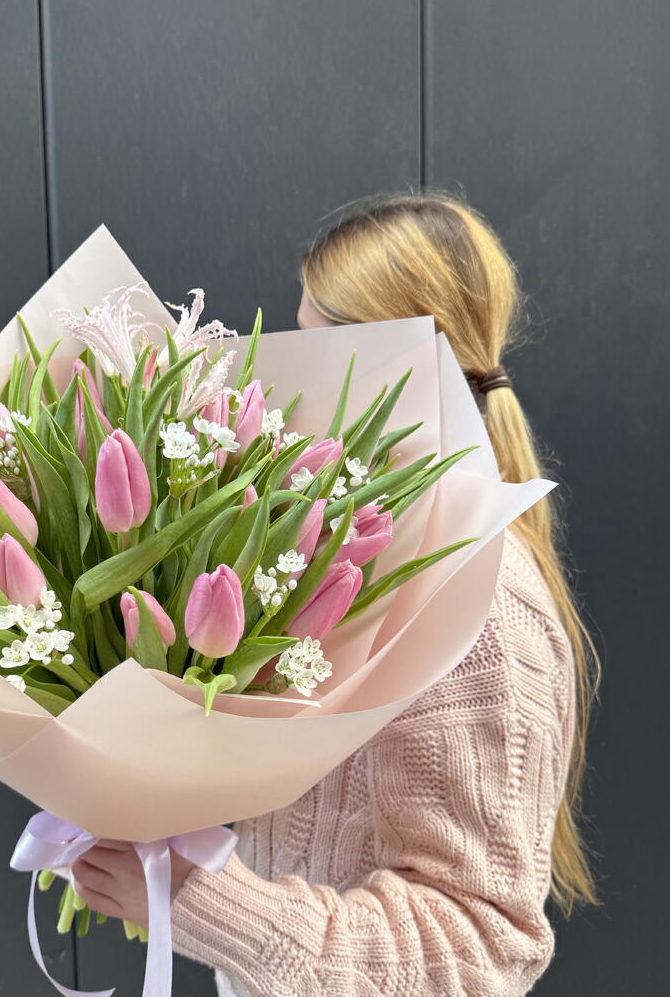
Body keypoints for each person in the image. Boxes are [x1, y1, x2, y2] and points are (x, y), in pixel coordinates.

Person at [70, 192, 601, 996]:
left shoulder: (485, 606)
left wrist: (201, 897)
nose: (285, 372)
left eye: (313, 343)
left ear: (394, 360)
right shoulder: (343, 539)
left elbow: (481, 949)